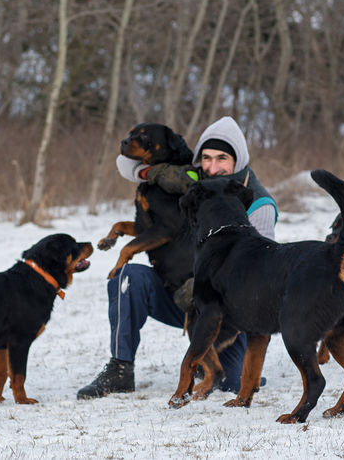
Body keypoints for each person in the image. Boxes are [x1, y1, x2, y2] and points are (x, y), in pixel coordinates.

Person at [77, 116, 278, 400]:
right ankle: (120, 368)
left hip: (229, 311)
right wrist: (149, 174)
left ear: (238, 161)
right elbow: (126, 163)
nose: (212, 167)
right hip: (176, 295)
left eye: (222, 159)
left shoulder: (258, 203)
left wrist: (207, 290)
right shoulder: (192, 179)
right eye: (206, 158)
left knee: (230, 383)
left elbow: (260, 276)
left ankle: (230, 363)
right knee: (128, 278)